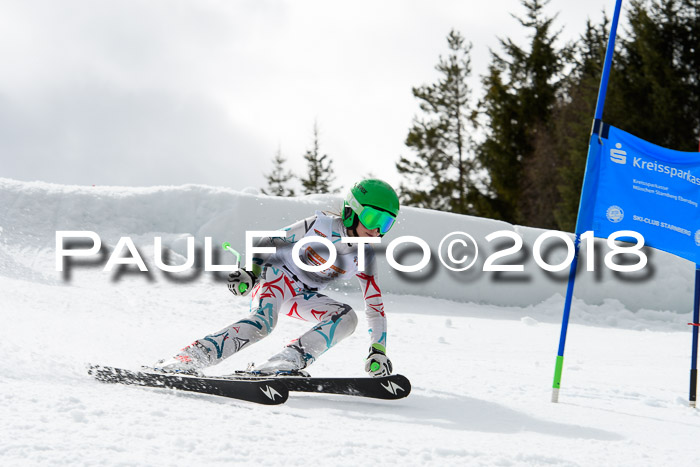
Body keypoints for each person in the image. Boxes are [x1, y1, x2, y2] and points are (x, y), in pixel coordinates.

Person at [154, 178, 400, 377]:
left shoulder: (365, 256)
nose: (376, 229)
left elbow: (375, 308)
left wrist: (377, 349)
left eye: (386, 223)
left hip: (302, 294)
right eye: (372, 218)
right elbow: (268, 241)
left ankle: (284, 361)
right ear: (352, 212)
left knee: (347, 318)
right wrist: (251, 271)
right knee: (263, 323)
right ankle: (189, 358)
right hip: (275, 276)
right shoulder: (319, 225)